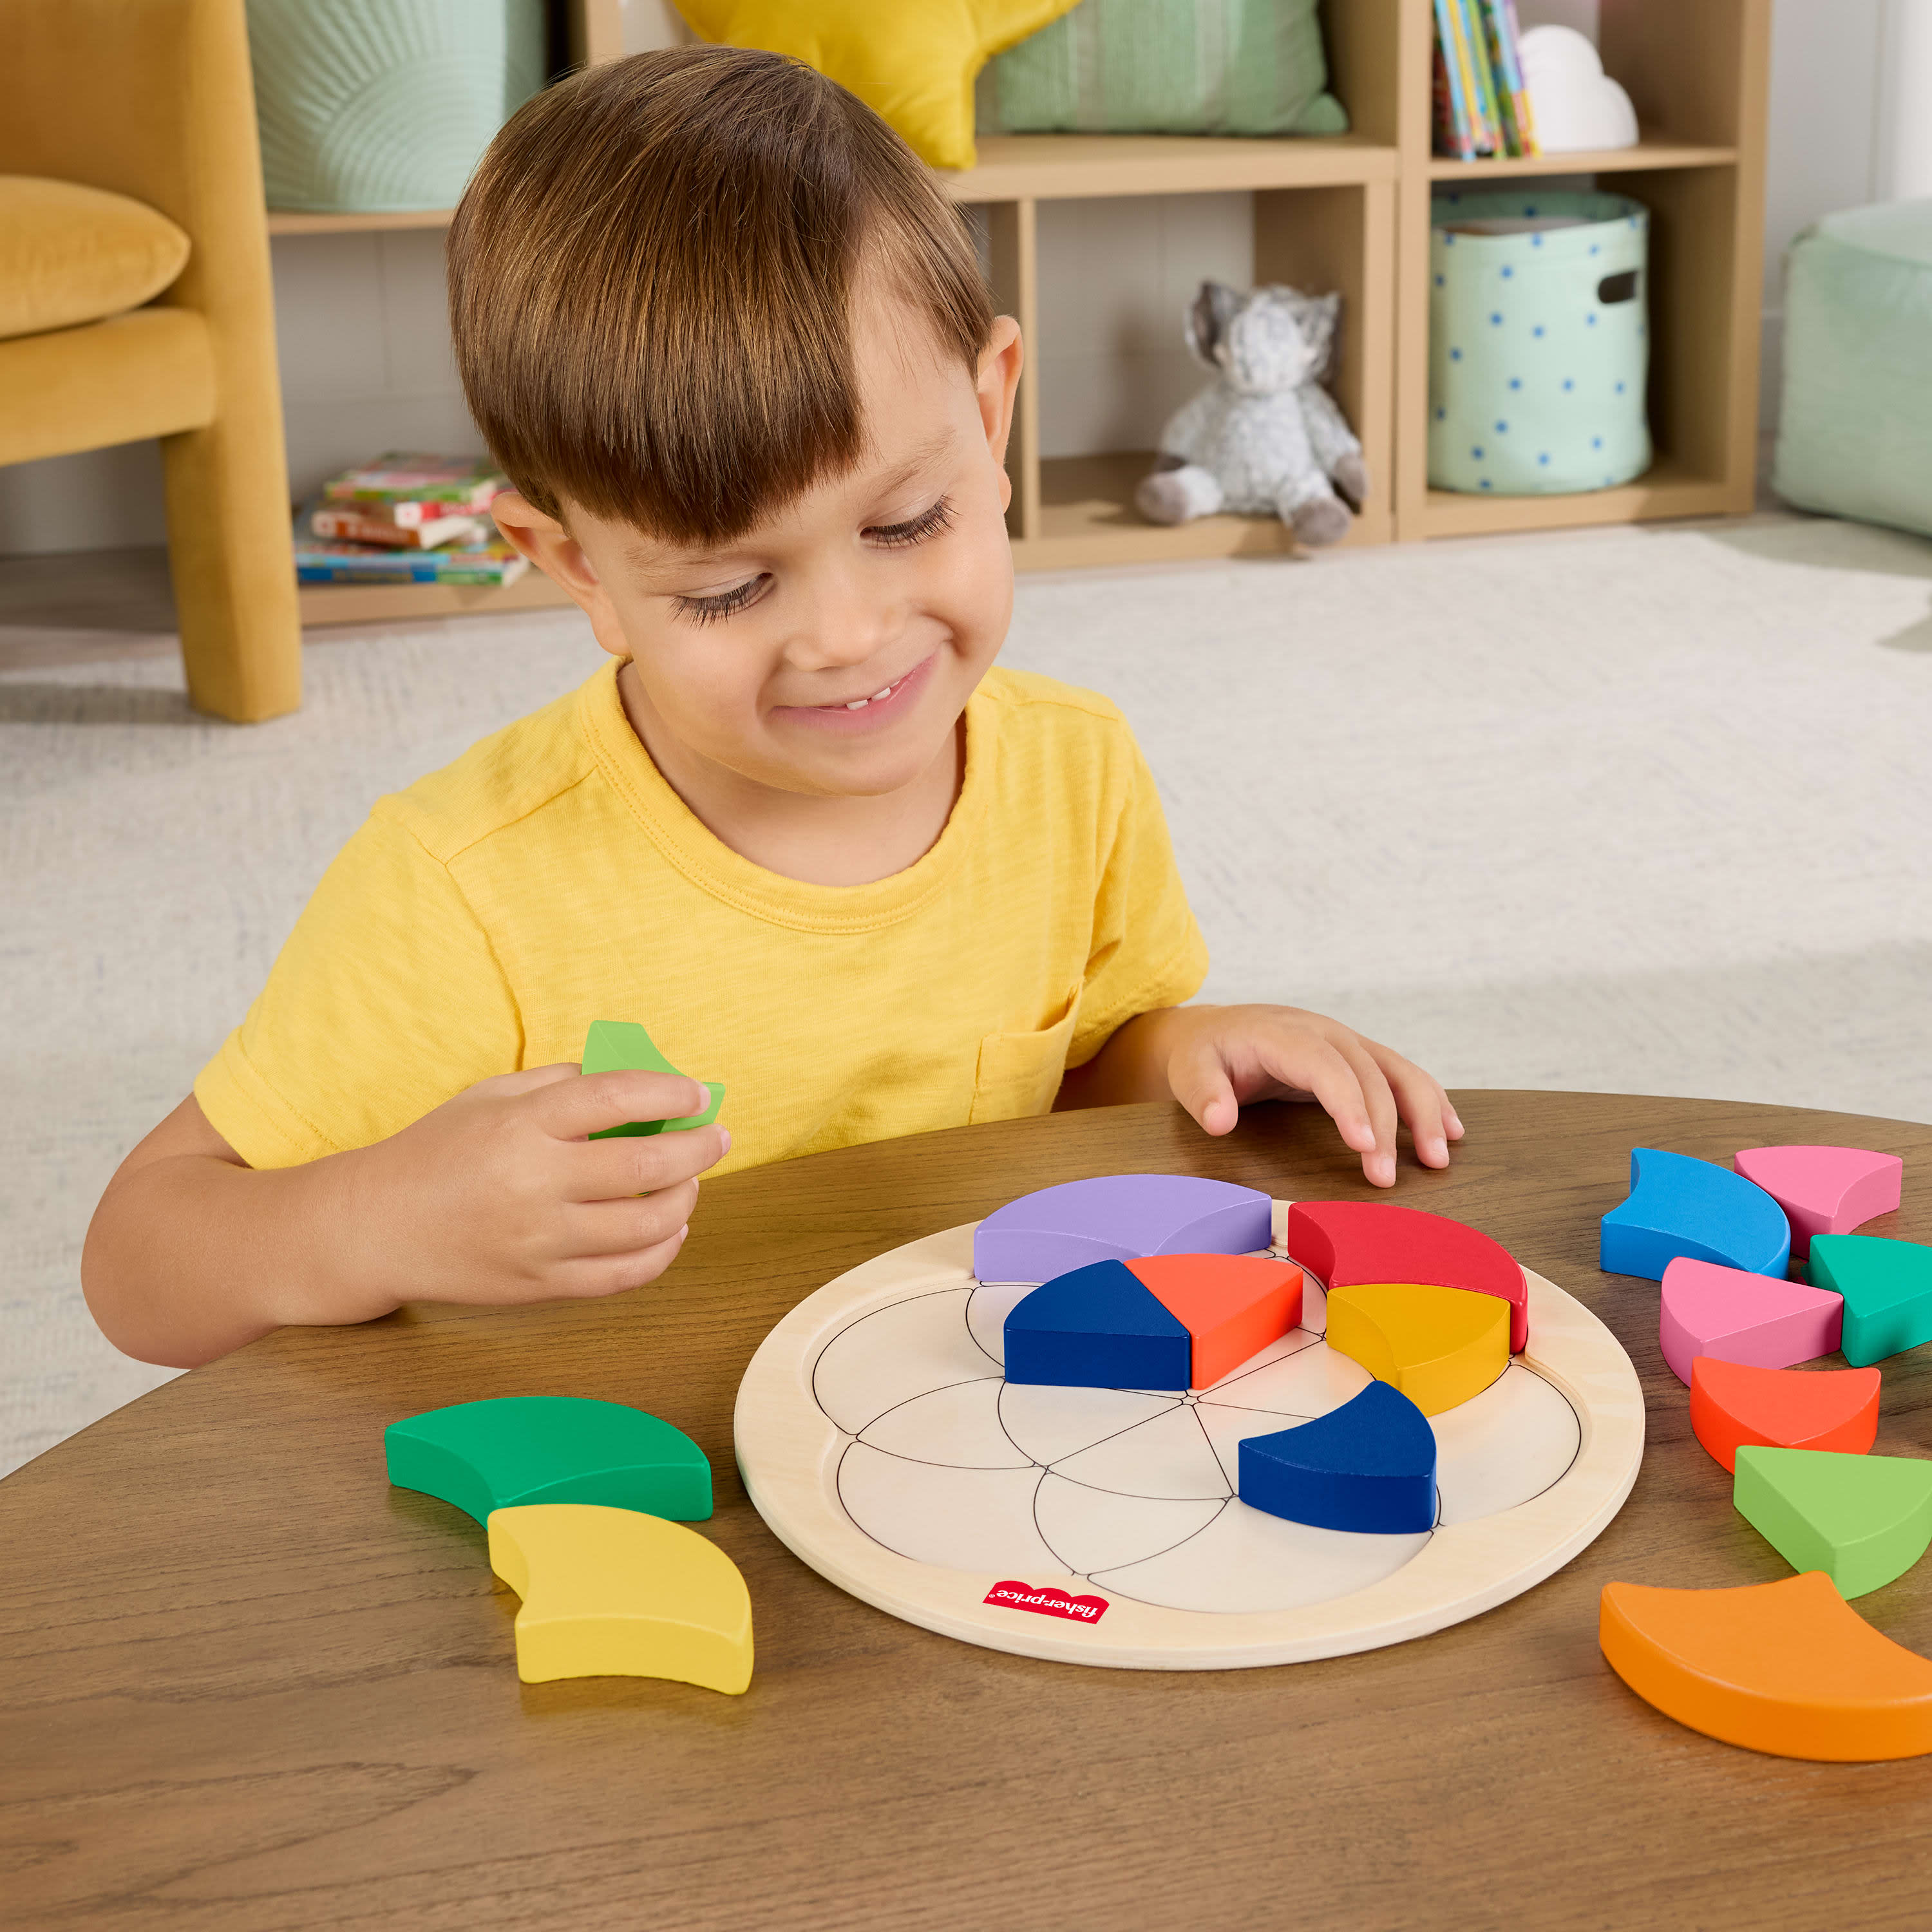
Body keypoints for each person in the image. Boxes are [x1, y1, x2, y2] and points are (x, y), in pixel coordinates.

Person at [82, 47, 1461, 1371]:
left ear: (991, 415)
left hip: (961, 1427)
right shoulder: (464, 887)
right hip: (630, 1477)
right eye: (730, 589)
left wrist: (1195, 1055)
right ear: (578, 567)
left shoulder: (1075, 769)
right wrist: (386, 1218)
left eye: (907, 521)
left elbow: (1079, 1090)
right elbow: (138, 1264)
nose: (848, 637)